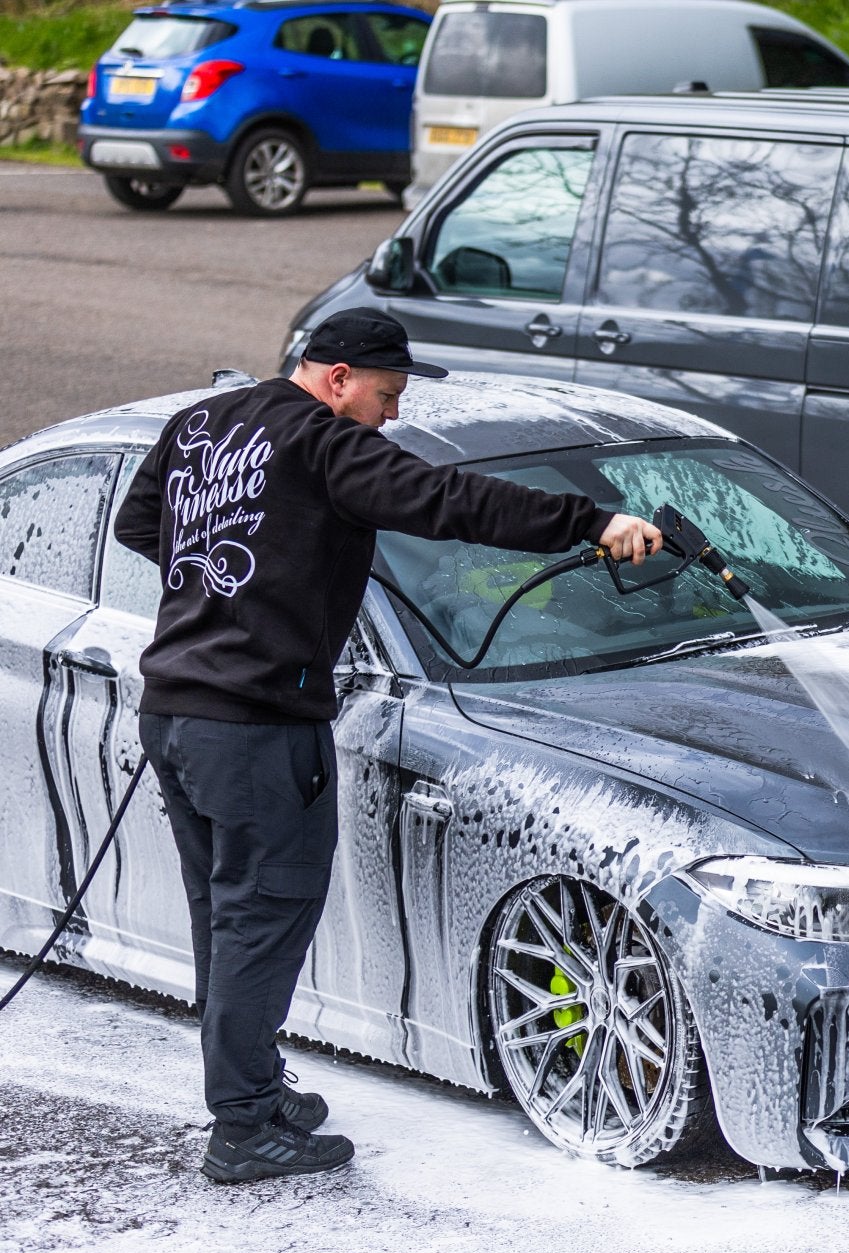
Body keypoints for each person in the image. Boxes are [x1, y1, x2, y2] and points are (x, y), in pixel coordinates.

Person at [113, 308, 662, 1184]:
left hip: (176, 716)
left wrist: (245, 575)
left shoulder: (198, 425)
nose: (393, 415)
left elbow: (142, 527)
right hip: (257, 727)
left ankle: (249, 1086)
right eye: (386, 395)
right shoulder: (325, 446)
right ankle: (245, 1128)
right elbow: (449, 501)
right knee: (261, 919)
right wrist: (588, 523)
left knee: (227, 915)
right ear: (337, 380)